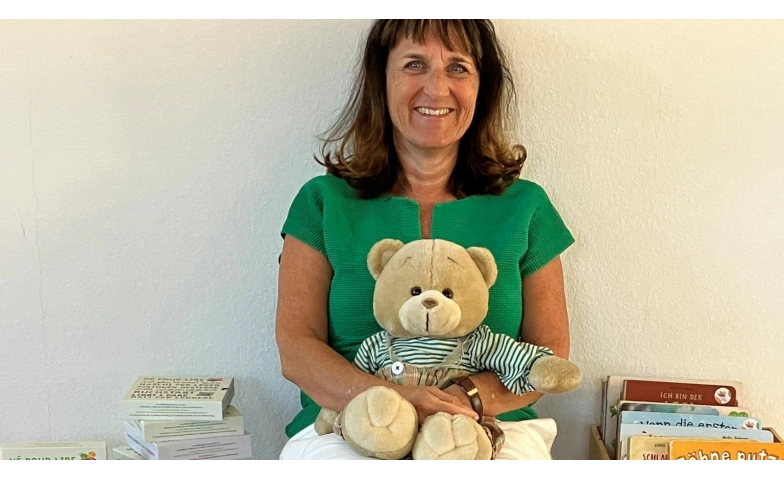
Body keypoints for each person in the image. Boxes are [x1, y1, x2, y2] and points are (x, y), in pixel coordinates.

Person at [275, 17, 575, 461]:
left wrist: (462, 400)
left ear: (482, 87)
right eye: (415, 64)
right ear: (382, 80)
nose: (437, 88)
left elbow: (550, 354)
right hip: (350, 424)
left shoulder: (527, 206)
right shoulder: (322, 201)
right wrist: (393, 402)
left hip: (491, 426)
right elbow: (297, 348)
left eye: (458, 68)